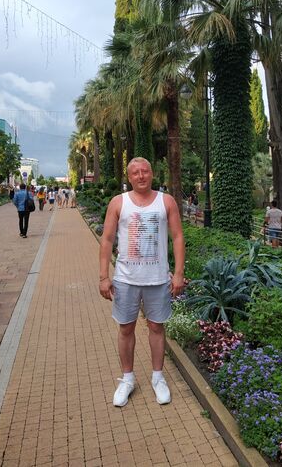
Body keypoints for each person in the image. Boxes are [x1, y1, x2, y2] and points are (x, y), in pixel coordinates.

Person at [99, 157, 185, 407]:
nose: (141, 176)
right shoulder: (118, 202)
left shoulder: (166, 201)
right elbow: (107, 239)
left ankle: (158, 377)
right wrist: (104, 277)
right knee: (126, 329)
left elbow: (178, 237)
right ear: (129, 177)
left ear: (152, 173)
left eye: (145, 171)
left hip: (157, 279)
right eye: (135, 172)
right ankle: (127, 379)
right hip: (125, 279)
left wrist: (178, 273)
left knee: (157, 327)